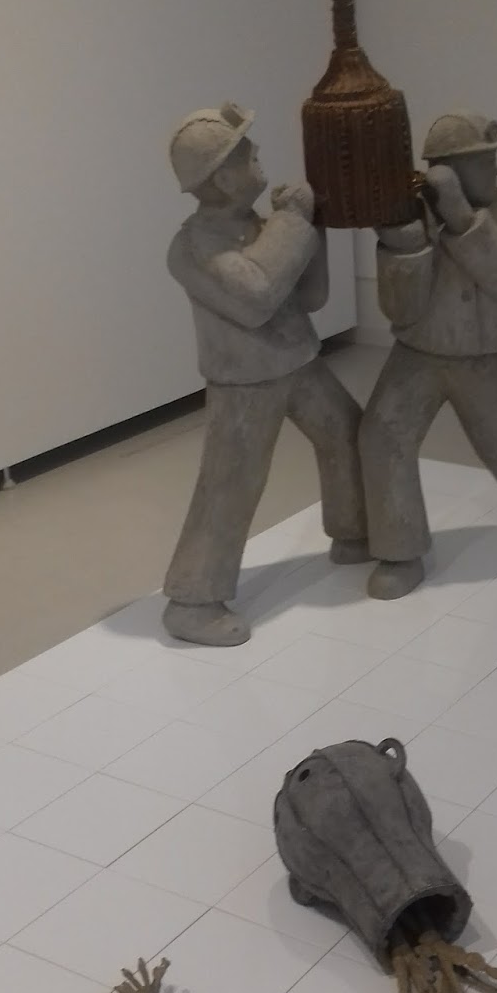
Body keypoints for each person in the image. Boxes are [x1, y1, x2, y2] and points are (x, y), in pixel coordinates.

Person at [162, 101, 367, 646]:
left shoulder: (257, 226)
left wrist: (308, 229)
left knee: (347, 434)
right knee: (231, 483)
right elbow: (256, 297)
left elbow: (310, 297)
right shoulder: (191, 248)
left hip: (297, 360)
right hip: (246, 383)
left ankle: (355, 533)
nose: (258, 159)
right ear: (223, 178)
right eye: (247, 156)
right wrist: (294, 224)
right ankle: (192, 601)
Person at [359, 111, 497, 599]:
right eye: (481, 162)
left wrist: (463, 221)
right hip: (418, 352)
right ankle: (400, 551)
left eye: (492, 159)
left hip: (481, 355)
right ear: (445, 171)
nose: (494, 170)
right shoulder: (414, 215)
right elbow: (398, 308)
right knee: (383, 436)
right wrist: (402, 247)